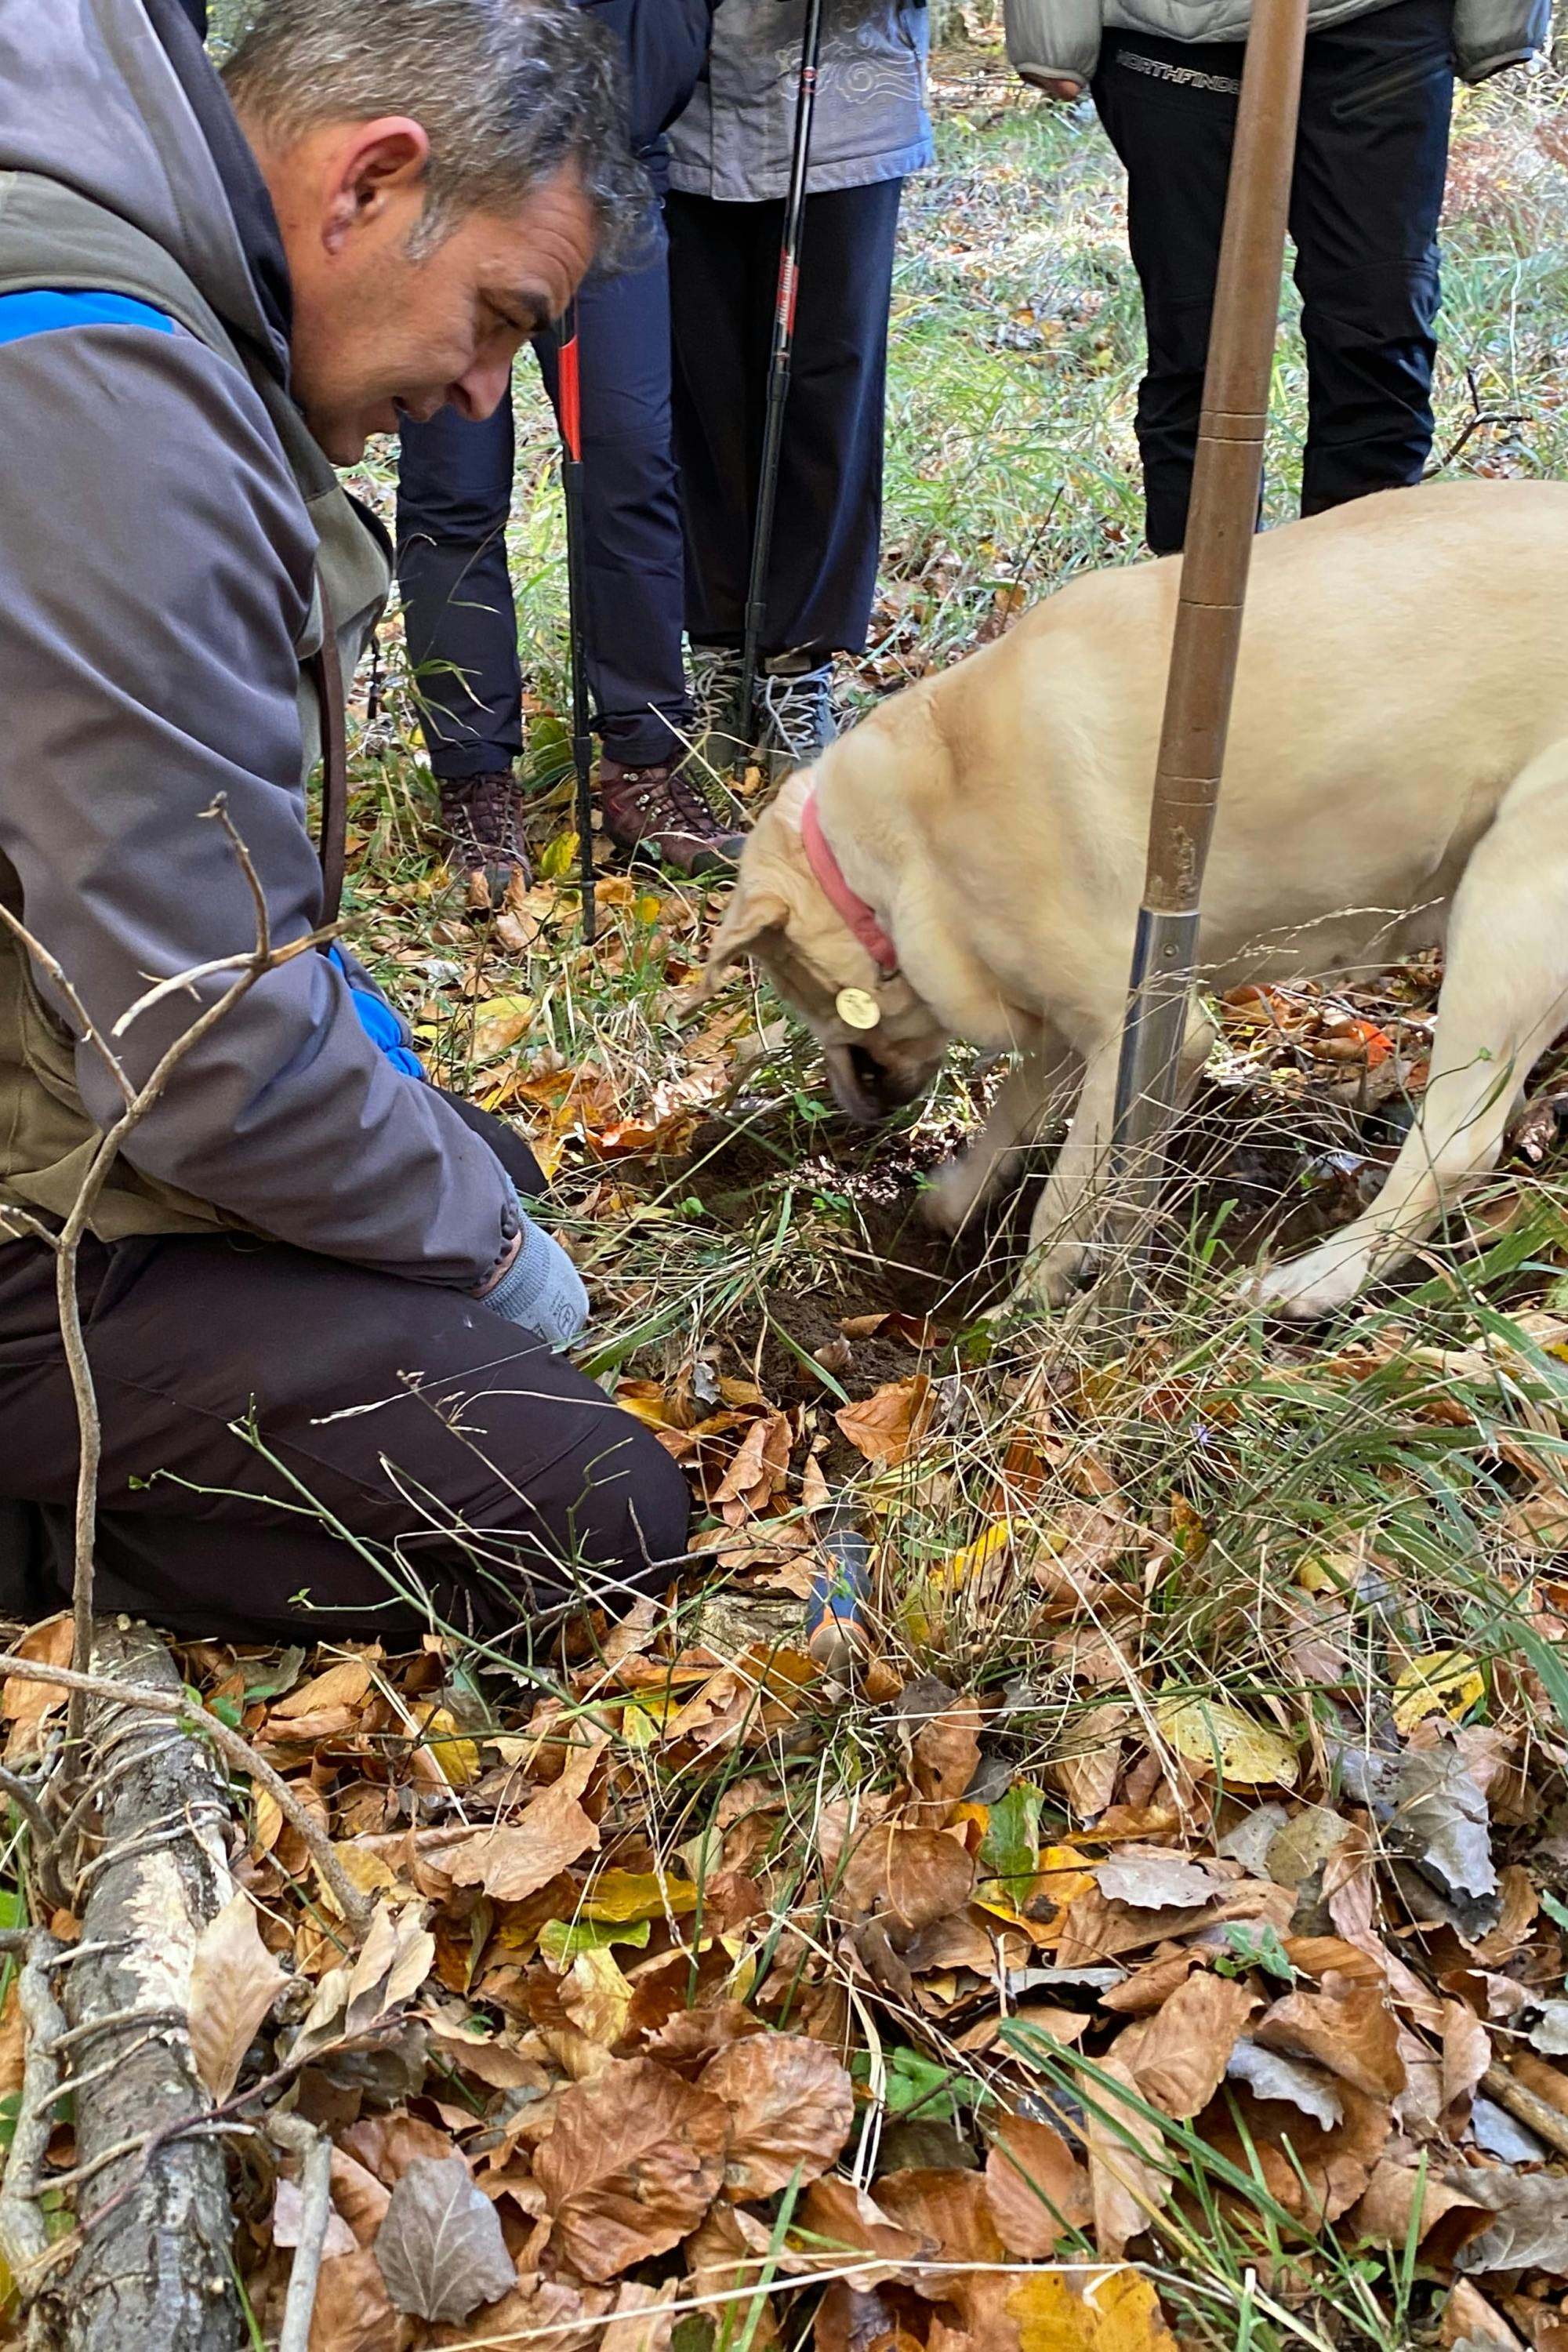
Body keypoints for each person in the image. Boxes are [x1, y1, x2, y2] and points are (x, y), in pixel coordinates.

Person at [0, 0, 691, 1645]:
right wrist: (494, 1257)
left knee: (461, 1164)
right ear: (367, 183)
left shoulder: (117, 222)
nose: (476, 396)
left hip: (53, 1086)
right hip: (34, 1206)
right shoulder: (101, 400)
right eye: (500, 318)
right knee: (587, 1509)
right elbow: (204, 1051)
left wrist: (428, 1147)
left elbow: (183, 908)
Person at [397, 0, 742, 891]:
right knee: (455, 481)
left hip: (610, 173)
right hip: (445, 177)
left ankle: (643, 757)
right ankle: (474, 773)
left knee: (627, 458)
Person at [1004, 0, 1548, 554]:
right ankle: (1193, 613)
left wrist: (1499, 22)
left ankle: (1355, 602)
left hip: (1382, 25)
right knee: (1199, 342)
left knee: (1378, 327)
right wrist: (1051, 33)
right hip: (1167, 31)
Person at [665, 0, 933, 774]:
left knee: (825, 391)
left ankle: (798, 664)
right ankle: (718, 650)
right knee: (700, 386)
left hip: (846, 108)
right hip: (680, 108)